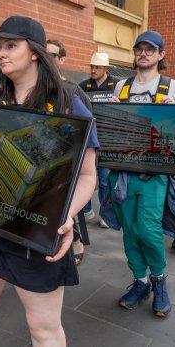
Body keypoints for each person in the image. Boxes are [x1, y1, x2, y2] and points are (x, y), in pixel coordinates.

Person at [0, 16, 98, 346]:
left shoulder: (68, 99)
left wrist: (64, 219)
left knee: (43, 330)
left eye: (10, 46)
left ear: (35, 52)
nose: (1, 54)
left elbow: (88, 175)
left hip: (36, 229)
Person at [108, 30, 175, 318]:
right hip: (124, 170)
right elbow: (114, 129)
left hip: (155, 173)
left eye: (150, 49)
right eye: (139, 49)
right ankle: (140, 282)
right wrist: (110, 112)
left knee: (149, 229)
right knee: (129, 228)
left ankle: (159, 280)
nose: (143, 53)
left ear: (161, 54)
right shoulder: (121, 86)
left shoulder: (174, 87)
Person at [47, 39, 91, 266]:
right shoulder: (39, 90)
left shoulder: (74, 91)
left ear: (62, 60)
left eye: (52, 55)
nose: (47, 58)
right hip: (46, 158)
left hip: (69, 159)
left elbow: (87, 129)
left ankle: (76, 242)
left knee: (67, 206)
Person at [79, 52, 118, 228]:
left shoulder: (116, 85)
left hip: (107, 137)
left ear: (106, 69)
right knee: (84, 175)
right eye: (91, 67)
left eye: (97, 67)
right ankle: (85, 209)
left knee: (103, 178)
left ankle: (105, 214)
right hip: (88, 136)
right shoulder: (83, 85)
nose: (93, 70)